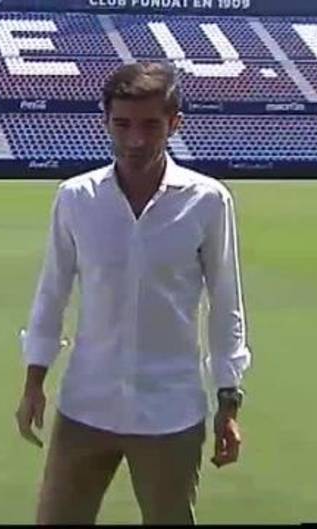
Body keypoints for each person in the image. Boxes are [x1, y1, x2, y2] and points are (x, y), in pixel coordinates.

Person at [15, 61, 252, 525]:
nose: (136, 140)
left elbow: (227, 305)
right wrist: (33, 384)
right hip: (87, 404)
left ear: (174, 124)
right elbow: (52, 292)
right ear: (106, 121)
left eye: (151, 125)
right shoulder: (76, 198)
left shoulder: (207, 201)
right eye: (122, 124)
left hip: (170, 411)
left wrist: (229, 403)